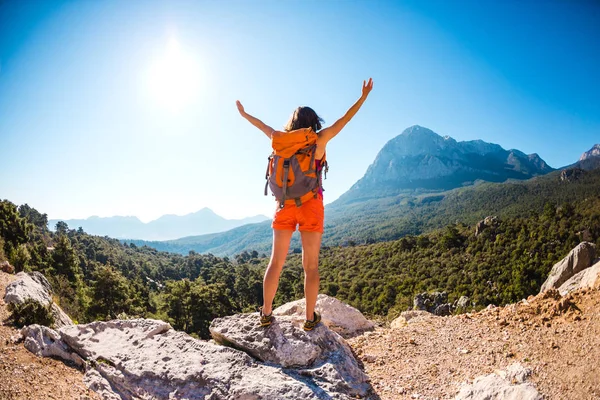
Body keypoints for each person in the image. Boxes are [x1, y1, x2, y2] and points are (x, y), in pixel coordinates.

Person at [236, 78, 373, 330]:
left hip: (283, 205)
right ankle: (310, 318)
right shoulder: (320, 140)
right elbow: (345, 119)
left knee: (275, 262)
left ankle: (266, 313)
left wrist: (244, 114)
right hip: (311, 205)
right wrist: (363, 97)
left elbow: (262, 125)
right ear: (313, 123)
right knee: (310, 266)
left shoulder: (279, 140)